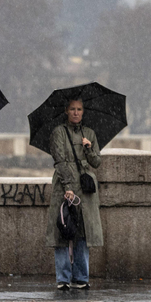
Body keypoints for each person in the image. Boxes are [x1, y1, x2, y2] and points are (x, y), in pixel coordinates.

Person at [45, 98, 102, 289]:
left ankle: (81, 277)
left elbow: (96, 162)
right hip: (64, 185)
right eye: (72, 109)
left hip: (85, 188)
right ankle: (63, 278)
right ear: (66, 111)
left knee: (83, 232)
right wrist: (68, 186)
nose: (76, 113)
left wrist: (89, 148)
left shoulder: (90, 133)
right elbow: (59, 160)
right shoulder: (58, 132)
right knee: (63, 229)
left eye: (79, 109)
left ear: (83, 112)